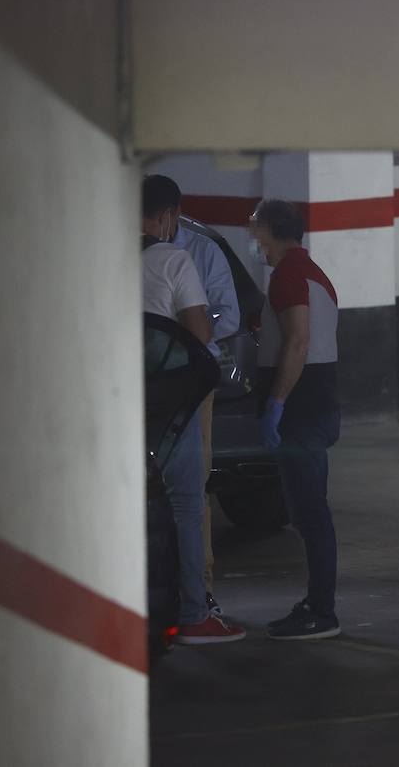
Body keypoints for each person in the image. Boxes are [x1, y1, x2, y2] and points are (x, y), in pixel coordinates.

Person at [142, 175, 245, 645]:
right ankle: (191, 611)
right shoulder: (174, 258)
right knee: (185, 501)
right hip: (171, 399)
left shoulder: (94, 255)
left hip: (117, 397)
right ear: (167, 216)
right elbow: (201, 332)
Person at [249, 199, 343, 640]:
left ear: (272, 228)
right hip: (316, 405)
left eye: (257, 230)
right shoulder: (312, 273)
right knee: (310, 512)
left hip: (302, 410)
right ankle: (317, 604)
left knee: (311, 514)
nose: (255, 240)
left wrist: (276, 403)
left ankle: (322, 611)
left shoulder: (289, 275)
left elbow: (299, 341)